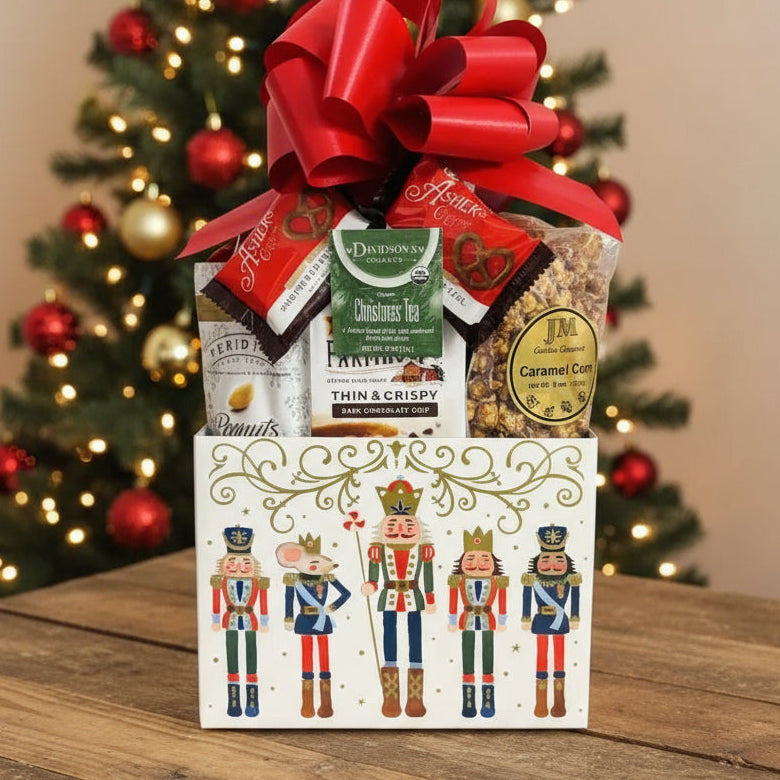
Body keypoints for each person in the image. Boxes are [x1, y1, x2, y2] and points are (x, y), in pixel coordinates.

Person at [361, 478, 435, 717]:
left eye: (408, 524)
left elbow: (428, 575)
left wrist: (430, 597)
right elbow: (374, 572)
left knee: (415, 639)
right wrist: (372, 583)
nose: (400, 529)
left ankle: (415, 699)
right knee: (389, 638)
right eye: (393, 524)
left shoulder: (422, 550)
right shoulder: (379, 550)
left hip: (413, 595)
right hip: (390, 595)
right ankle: (390, 698)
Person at [521, 524, 581, 718]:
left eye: (559, 560)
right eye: (546, 559)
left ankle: (559, 702)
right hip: (540, 620)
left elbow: (575, 598)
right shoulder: (533, 579)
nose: (552, 564)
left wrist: (575, 617)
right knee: (541, 659)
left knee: (559, 662)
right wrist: (525, 617)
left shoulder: (570, 579)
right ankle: (540, 703)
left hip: (560, 621)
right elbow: (526, 598)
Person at [448, 526, 508, 717]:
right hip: (466, 621)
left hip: (488, 621)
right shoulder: (458, 581)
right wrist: (452, 619)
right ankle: (469, 702)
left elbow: (502, 601)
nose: (477, 564)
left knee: (487, 658)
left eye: (484, 559)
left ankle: (488, 701)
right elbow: (453, 600)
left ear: (493, 563)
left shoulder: (497, 581)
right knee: (468, 659)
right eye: (471, 559)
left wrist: (502, 620)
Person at [210, 525, 269, 718]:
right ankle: (233, 702)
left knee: (251, 658)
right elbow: (216, 600)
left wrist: (264, 621)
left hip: (251, 621)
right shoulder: (221, 581)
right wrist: (216, 619)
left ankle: (252, 702)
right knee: (232, 658)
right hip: (231, 621)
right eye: (232, 561)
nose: (239, 566)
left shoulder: (257, 582)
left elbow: (263, 601)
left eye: (245, 562)